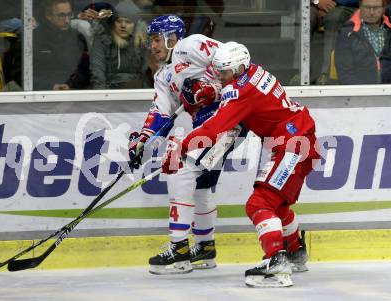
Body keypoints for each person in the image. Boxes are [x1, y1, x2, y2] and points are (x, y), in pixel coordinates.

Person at [161, 42, 319, 287]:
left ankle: (277, 265)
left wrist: (182, 147)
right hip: (298, 139)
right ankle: (296, 253)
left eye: (223, 72)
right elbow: (243, 115)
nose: (220, 77)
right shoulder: (255, 71)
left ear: (239, 68)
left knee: (259, 203)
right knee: (277, 203)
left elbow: (214, 128)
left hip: (292, 144)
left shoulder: (237, 91)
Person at [129, 15, 244, 275]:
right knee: (201, 184)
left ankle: (178, 251)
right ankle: (204, 247)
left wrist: (212, 89)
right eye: (151, 41)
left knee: (180, 169)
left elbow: (235, 66)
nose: (153, 46)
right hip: (210, 128)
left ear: (171, 38)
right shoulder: (163, 76)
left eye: (157, 40)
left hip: (229, 118)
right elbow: (161, 113)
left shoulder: (191, 45)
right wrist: (143, 139)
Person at [90, 0, 150, 89]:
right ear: (113, 23)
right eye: (119, 21)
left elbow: (146, 75)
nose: (123, 25)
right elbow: (98, 73)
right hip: (109, 91)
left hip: (136, 91)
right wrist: (102, 98)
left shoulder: (141, 42)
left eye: (128, 22)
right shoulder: (103, 39)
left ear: (135, 25)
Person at [33, 0, 90, 90]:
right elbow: (21, 74)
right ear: (48, 15)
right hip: (40, 95)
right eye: (61, 15)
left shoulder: (78, 38)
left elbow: (85, 70)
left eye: (69, 14)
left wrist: (71, 85)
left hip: (71, 91)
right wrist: (49, 86)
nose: (67, 20)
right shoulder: (32, 39)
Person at [335, 0, 391, 84]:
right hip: (360, 92)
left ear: (384, 8)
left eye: (376, 8)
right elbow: (345, 74)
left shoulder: (389, 30)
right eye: (367, 7)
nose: (371, 12)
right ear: (360, 7)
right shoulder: (347, 33)